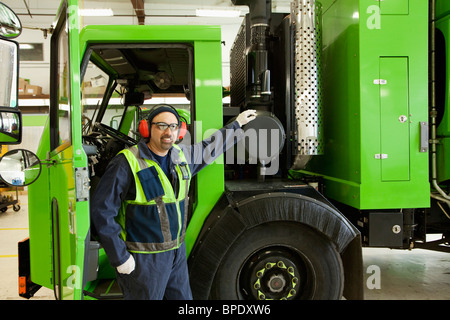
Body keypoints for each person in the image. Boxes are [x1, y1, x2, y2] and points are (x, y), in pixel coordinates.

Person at [90, 105, 256, 300]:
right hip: (144, 259)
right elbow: (101, 212)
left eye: (173, 126)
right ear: (146, 129)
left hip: (176, 254)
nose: (168, 132)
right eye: (161, 125)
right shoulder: (126, 163)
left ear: (180, 131)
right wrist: (119, 256)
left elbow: (209, 148)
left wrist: (237, 125)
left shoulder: (181, 157)